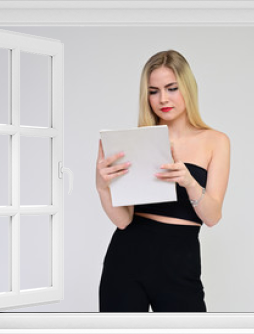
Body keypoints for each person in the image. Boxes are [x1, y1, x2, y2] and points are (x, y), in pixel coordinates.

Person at [96, 50, 230, 312]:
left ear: (187, 88)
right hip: (127, 256)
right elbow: (123, 220)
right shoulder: (137, 140)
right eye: (153, 91)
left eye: (171, 88)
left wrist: (190, 182)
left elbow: (212, 217)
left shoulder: (215, 141)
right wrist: (102, 187)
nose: (163, 99)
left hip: (180, 261)